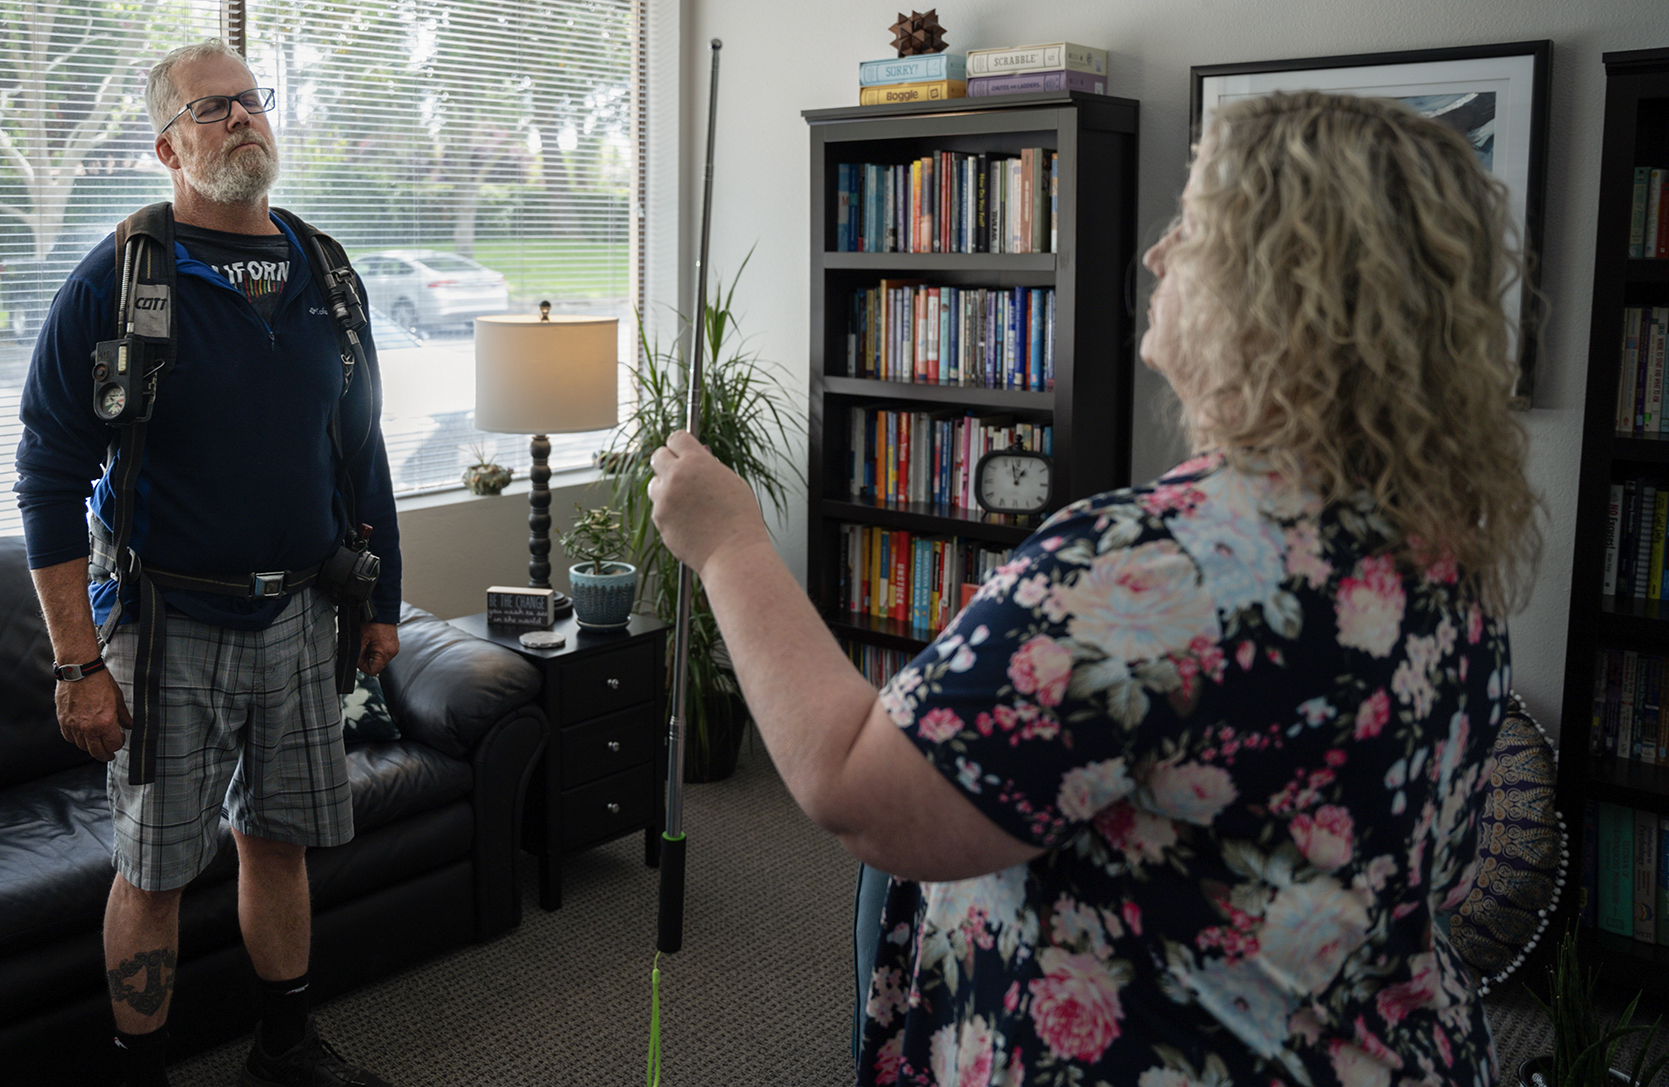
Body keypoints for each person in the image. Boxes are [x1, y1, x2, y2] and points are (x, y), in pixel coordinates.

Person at [647, 91, 1537, 1087]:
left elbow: (854, 789)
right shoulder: (1439, 548)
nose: (1155, 256)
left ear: (1278, 289)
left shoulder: (1155, 567)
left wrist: (728, 544)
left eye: (1191, 227)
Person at [15, 39, 403, 1087]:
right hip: (163, 622)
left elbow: (358, 445)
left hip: (296, 619)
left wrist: (383, 602)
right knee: (152, 866)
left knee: (277, 839)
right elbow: (46, 478)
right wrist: (76, 662)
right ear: (166, 145)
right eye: (212, 107)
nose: (241, 117)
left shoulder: (325, 268)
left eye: (253, 100)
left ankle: (284, 1049)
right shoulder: (116, 278)